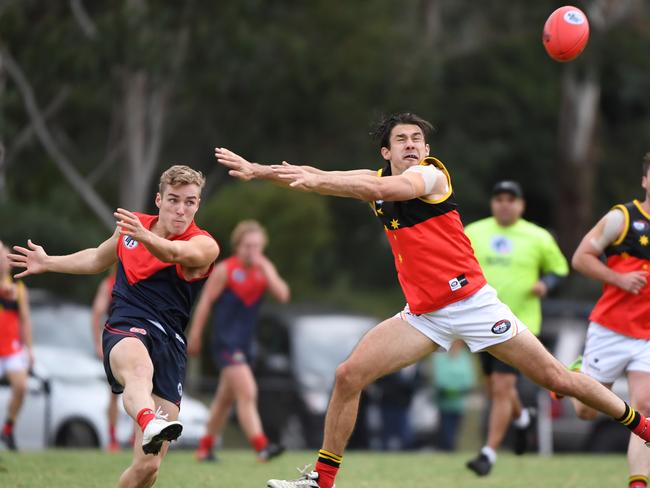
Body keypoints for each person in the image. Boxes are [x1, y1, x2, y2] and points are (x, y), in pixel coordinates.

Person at [215, 113, 650, 488]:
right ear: (385, 152)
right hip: (425, 316)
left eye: (417, 139)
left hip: (476, 306)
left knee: (557, 378)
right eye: (401, 140)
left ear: (427, 149)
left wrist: (318, 181)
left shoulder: (430, 175)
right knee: (349, 375)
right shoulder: (377, 180)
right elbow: (323, 174)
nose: (411, 145)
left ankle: (643, 425)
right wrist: (260, 170)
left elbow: (384, 189)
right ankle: (322, 480)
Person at [8, 165, 219, 487]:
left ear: (198, 204)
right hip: (127, 326)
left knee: (147, 469)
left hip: (171, 344)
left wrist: (145, 236)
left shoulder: (204, 244)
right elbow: (96, 258)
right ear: (159, 199)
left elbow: (175, 251)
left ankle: (150, 425)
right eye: (174, 200)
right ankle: (148, 420)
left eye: (190, 202)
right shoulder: (132, 229)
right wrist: (49, 262)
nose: (181, 209)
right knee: (138, 371)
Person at [463, 180, 569, 475]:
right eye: (499, 199)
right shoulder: (474, 231)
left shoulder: (538, 237)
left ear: (521, 205)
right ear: (492, 203)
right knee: (493, 388)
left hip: (518, 324)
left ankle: (488, 454)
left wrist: (545, 284)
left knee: (502, 386)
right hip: (479, 322)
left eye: (511, 199)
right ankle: (522, 419)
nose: (504, 204)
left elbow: (560, 268)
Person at [558, 153, 650, 488]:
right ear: (644, 180)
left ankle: (638, 482)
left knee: (646, 407)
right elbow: (581, 257)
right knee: (586, 412)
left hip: (648, 336)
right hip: (611, 328)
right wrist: (619, 279)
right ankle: (578, 374)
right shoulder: (622, 218)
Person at [186, 219, 290, 462]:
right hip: (225, 342)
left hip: (245, 344)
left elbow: (283, 295)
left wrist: (265, 266)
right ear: (238, 246)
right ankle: (261, 446)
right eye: (247, 246)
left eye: (256, 246)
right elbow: (205, 303)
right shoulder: (226, 270)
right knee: (247, 391)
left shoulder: (263, 269)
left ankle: (205, 448)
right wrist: (195, 335)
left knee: (224, 399)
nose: (252, 251)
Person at [0, 241, 33, 451]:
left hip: (11, 347)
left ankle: (8, 428)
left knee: (21, 386)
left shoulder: (18, 288)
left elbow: (26, 320)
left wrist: (29, 349)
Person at [91, 266, 122, 452]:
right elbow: (97, 313)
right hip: (121, 341)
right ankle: (114, 438)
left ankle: (113, 439)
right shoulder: (110, 284)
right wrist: (97, 343)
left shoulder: (109, 283)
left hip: (117, 341)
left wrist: (98, 342)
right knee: (116, 394)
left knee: (115, 394)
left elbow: (96, 313)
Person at [431, 340, 476, 451]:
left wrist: (455, 387)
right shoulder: (440, 357)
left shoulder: (465, 357)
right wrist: (455, 387)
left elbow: (469, 380)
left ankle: (451, 452)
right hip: (443, 403)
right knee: (445, 433)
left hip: (460, 404)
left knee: (455, 433)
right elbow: (440, 379)